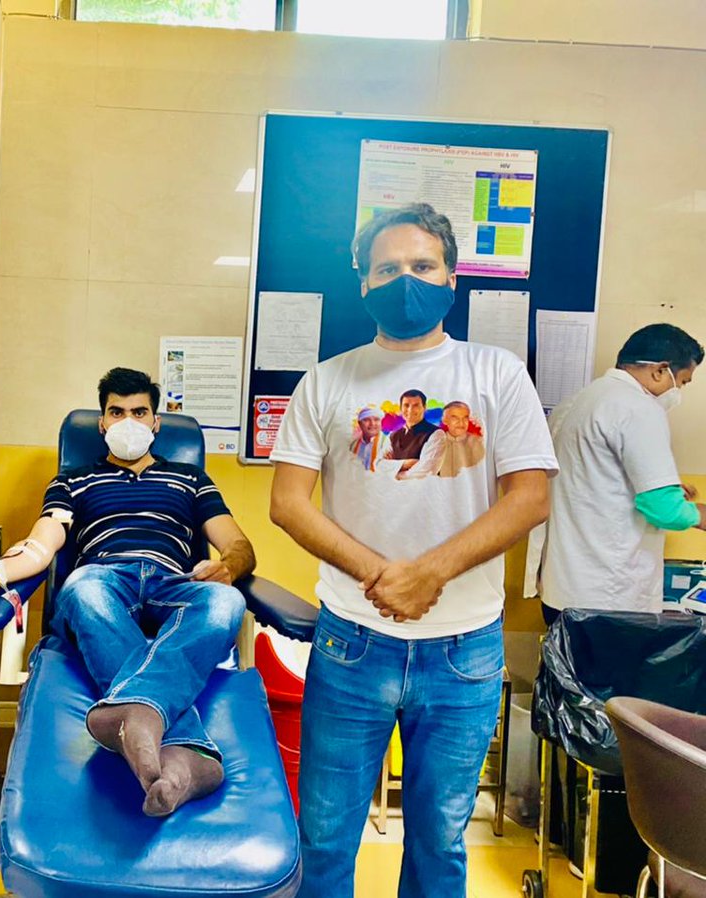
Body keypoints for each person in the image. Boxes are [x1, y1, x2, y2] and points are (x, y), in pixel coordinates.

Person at [268, 203, 556, 898]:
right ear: (364, 283)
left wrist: (430, 573)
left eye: (423, 266)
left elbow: (529, 498)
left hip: (465, 650)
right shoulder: (327, 381)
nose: (406, 281)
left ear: (452, 278)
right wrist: (382, 576)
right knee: (324, 836)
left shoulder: (497, 373)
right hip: (351, 641)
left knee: (438, 841)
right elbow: (288, 503)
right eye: (388, 268)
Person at [0, 367, 254, 817]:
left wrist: (227, 567)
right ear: (103, 422)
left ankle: (135, 714)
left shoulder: (190, 479)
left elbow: (239, 545)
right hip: (106, 579)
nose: (128, 421)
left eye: (139, 412)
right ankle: (188, 755)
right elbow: (41, 544)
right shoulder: (73, 481)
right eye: (117, 412)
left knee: (227, 601)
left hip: (174, 582)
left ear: (156, 422)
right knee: (80, 587)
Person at [534, 323, 706, 622]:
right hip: (608, 597)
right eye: (682, 381)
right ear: (660, 371)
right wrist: (700, 514)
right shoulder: (640, 408)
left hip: (562, 587)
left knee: (566, 654)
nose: (678, 392)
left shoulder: (575, 403)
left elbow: (591, 480)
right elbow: (665, 511)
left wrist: (665, 486)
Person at [400, 401, 486, 480]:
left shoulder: (478, 443)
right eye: (455, 418)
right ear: (445, 420)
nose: (461, 422)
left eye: (465, 418)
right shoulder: (434, 441)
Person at [387, 388, 437, 467]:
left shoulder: (435, 433)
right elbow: (379, 464)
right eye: (406, 405)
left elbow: (427, 469)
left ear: (424, 408)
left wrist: (392, 467)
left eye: (416, 405)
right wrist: (406, 464)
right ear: (400, 409)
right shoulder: (393, 435)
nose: (410, 410)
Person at [349, 407, 387, 472]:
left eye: (376, 419)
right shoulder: (353, 445)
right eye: (366, 420)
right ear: (360, 424)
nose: (372, 423)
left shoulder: (389, 443)